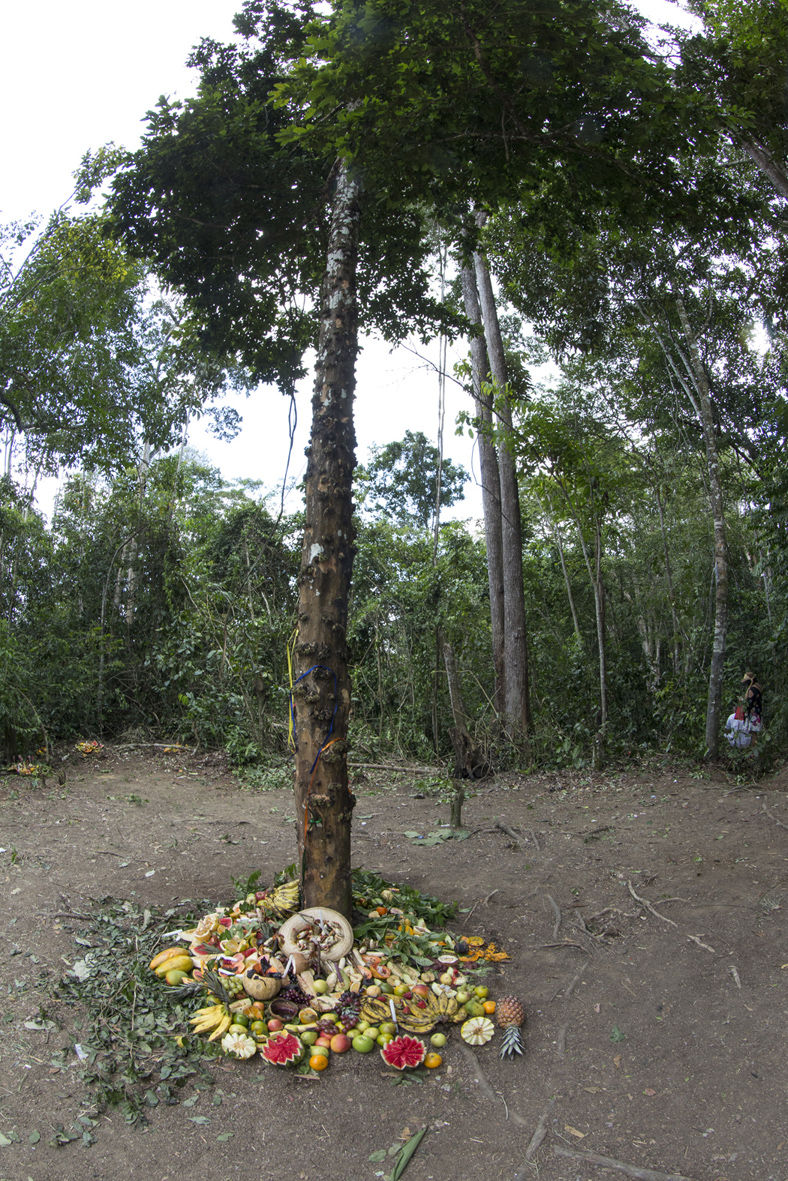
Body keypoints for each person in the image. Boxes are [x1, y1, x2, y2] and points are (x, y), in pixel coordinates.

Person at [742, 671, 763, 741]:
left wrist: (743, 702)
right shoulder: (758, 687)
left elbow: (749, 703)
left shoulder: (752, 690)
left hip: (753, 714)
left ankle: (754, 749)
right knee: (754, 733)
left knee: (753, 733)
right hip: (758, 712)